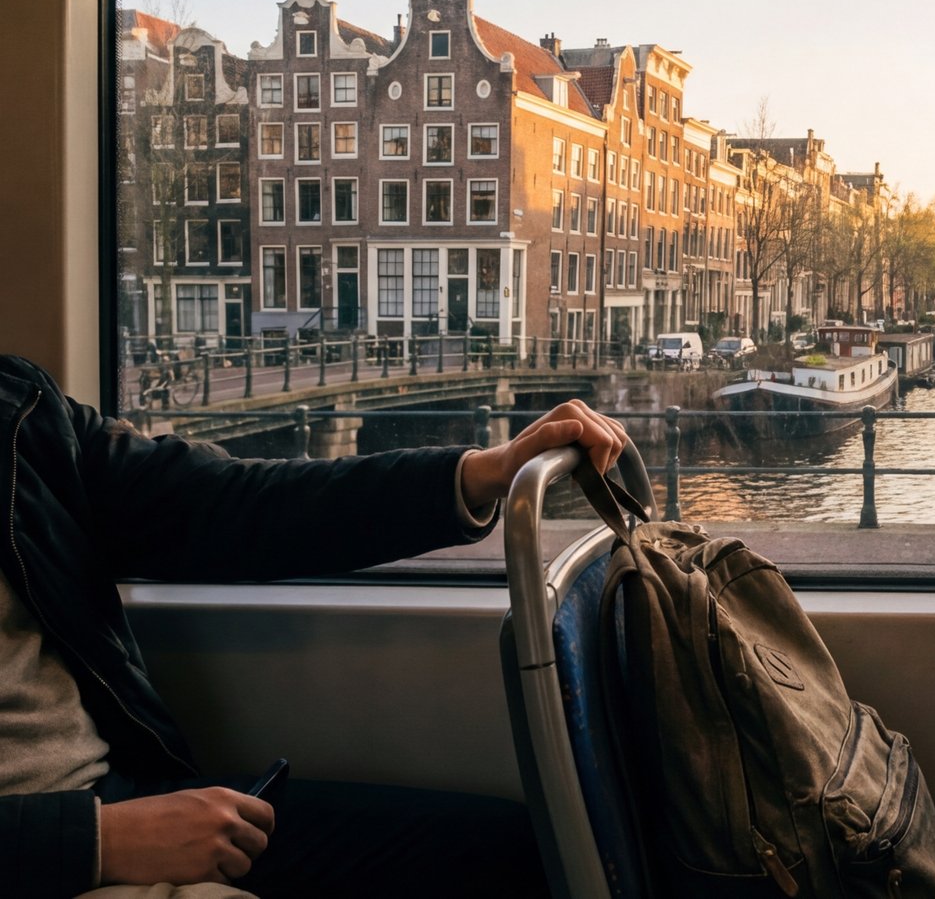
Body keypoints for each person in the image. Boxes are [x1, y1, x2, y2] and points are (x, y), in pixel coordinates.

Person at [0, 354, 629, 899]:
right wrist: (95, 842)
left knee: (513, 857)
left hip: (112, 800)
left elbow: (222, 503)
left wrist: (479, 473)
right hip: (68, 839)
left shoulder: (17, 411)